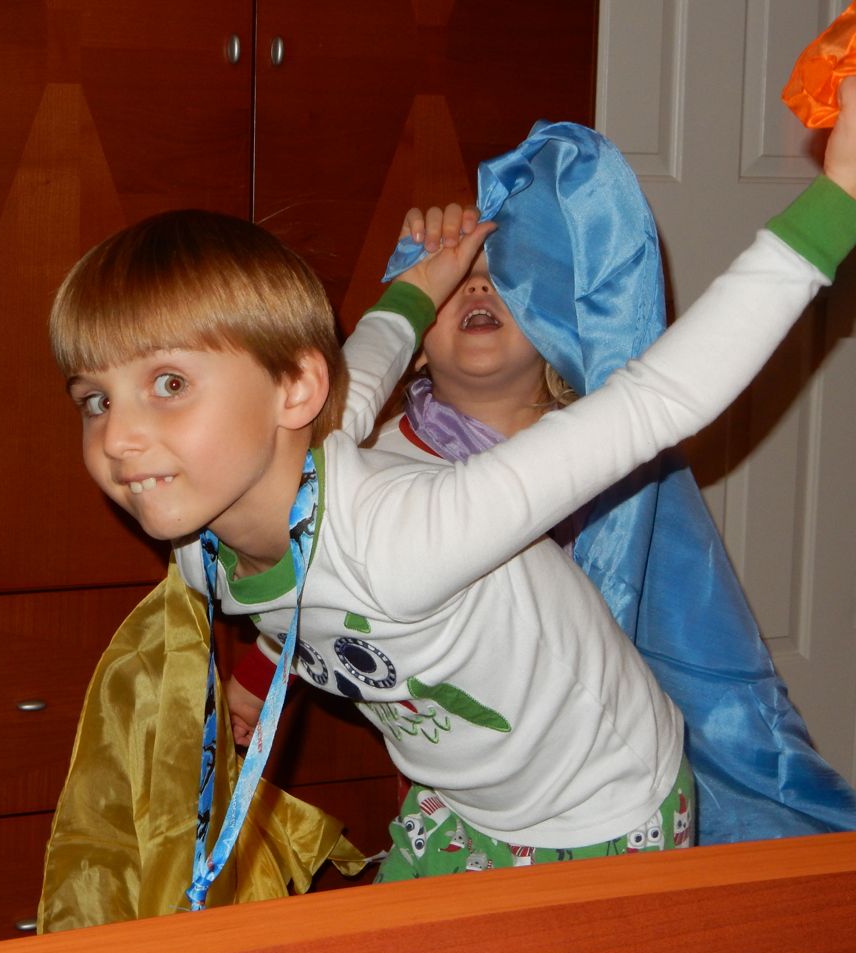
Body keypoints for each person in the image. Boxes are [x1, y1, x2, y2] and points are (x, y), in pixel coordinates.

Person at [48, 79, 856, 892]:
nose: (117, 438)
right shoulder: (204, 548)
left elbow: (658, 401)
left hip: (601, 808)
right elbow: (370, 356)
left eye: (170, 385)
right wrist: (429, 277)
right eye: (95, 399)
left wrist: (839, 199)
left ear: (294, 392)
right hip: (464, 802)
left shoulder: (407, 536)